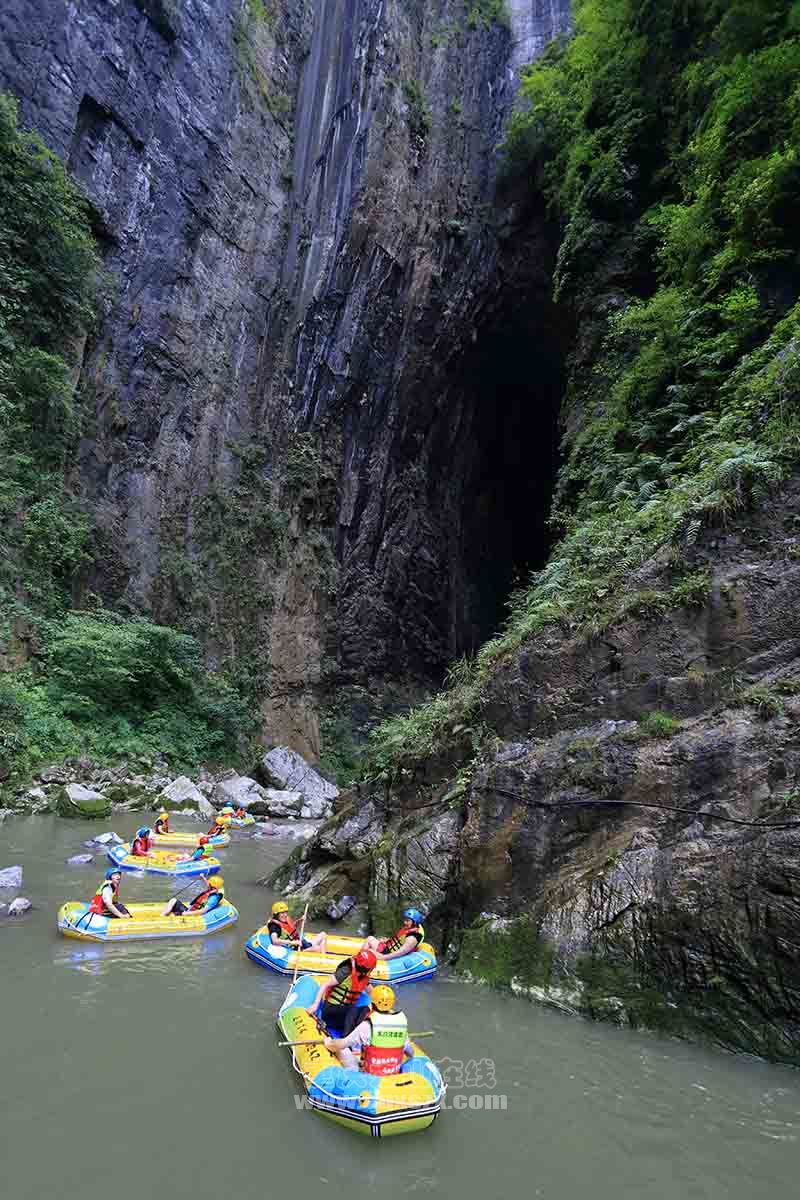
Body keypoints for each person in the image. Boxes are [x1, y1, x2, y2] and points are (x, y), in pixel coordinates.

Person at [324, 984, 413, 1074]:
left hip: (370, 1076)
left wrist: (329, 1043)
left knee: (343, 1049)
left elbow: (341, 1045)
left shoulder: (368, 1025)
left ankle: (353, 1074)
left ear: (372, 1004)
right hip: (392, 1072)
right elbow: (410, 1052)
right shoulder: (401, 1024)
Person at [307, 949, 377, 1037]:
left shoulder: (363, 977)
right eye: (371, 969)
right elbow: (325, 984)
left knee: (365, 1009)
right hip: (331, 1012)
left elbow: (373, 993)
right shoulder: (345, 971)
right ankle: (345, 1039)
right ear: (365, 969)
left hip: (344, 1017)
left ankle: (360, 1036)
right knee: (352, 1010)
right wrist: (315, 1004)